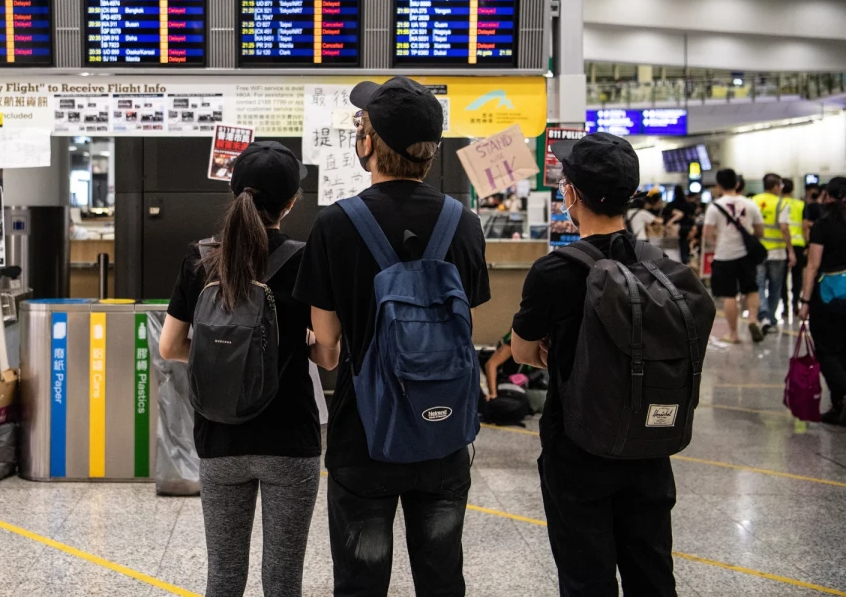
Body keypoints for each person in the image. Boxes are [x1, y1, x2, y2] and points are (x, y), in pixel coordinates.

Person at [294, 76, 490, 597]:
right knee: (441, 576)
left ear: (368, 143)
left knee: (361, 579)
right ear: (431, 149)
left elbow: (328, 346)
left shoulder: (336, 225)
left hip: (365, 433)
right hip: (444, 428)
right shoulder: (464, 223)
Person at [510, 133, 681, 596]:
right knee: (652, 573)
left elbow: (523, 352)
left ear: (570, 194)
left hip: (577, 446)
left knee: (586, 578)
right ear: (631, 194)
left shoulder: (554, 271)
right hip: (648, 445)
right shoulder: (658, 264)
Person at [159, 141, 321, 597]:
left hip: (220, 436)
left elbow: (170, 346)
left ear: (234, 193)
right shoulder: (305, 260)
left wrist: (225, 355)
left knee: (225, 577)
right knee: (283, 580)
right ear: (291, 202)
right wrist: (296, 346)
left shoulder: (201, 257)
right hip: (290, 439)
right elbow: (328, 356)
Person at [798, 177, 846, 424]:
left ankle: (842, 395)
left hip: (828, 296)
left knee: (827, 351)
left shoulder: (823, 225)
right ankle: (838, 407)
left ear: (828, 196)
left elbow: (813, 265)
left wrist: (805, 301)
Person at [704, 169, 765, 343]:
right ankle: (752, 320)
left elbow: (707, 233)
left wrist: (717, 241)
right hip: (747, 256)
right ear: (737, 184)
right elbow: (760, 231)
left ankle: (733, 334)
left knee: (729, 295)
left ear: (719, 185)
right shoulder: (750, 204)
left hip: (724, 255)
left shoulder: (714, 206)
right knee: (751, 289)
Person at [752, 173, 794, 333]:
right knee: (775, 287)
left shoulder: (753, 201)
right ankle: (771, 318)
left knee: (759, 285)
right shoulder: (781, 203)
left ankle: (763, 317)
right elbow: (784, 228)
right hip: (777, 252)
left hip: (758, 252)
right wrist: (791, 251)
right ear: (775, 186)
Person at [784, 179, 807, 323]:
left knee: (782, 279)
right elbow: (804, 226)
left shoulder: (779, 203)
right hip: (798, 243)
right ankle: (795, 304)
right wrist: (807, 244)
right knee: (797, 277)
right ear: (792, 189)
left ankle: (785, 307)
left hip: (782, 245)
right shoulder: (800, 204)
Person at [664, 189, 698, 265]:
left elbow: (679, 214)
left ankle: (676, 264)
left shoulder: (671, 205)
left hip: (675, 229)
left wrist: (670, 222)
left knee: (673, 249)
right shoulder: (688, 205)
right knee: (684, 246)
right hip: (687, 227)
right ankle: (685, 262)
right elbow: (692, 217)